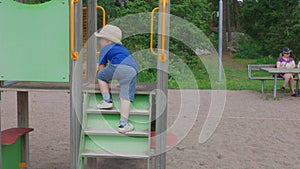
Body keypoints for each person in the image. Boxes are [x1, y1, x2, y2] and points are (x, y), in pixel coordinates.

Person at [95, 25, 138, 133]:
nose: (100, 41)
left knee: (101, 77)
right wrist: (121, 81)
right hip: (133, 70)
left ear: (108, 40)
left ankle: (106, 101)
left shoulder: (105, 49)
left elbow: (102, 67)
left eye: (101, 38)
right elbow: (125, 65)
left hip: (118, 67)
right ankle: (123, 125)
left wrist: (101, 78)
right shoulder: (123, 49)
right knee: (125, 98)